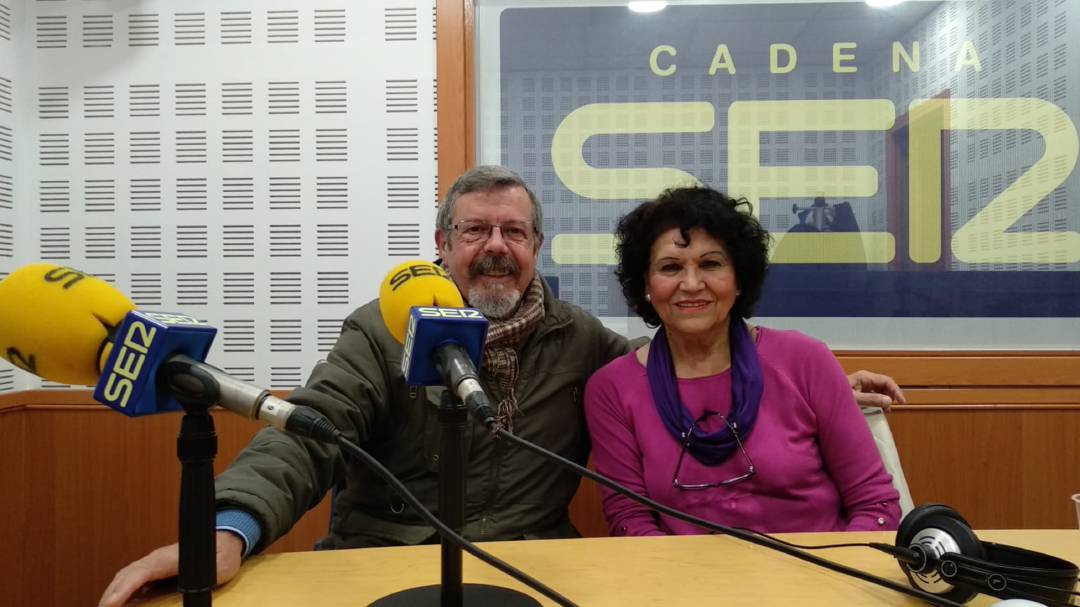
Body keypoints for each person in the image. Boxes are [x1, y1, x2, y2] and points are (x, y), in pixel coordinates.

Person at [100, 167, 905, 606]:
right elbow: (309, 432)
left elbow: (687, 346)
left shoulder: (584, 344)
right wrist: (230, 526)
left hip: (532, 572)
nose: (494, 248)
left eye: (512, 231)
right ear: (441, 245)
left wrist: (816, 379)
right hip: (384, 566)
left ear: (537, 247)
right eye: (475, 231)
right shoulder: (382, 329)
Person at [584, 186, 901, 537]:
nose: (691, 284)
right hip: (683, 585)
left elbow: (875, 504)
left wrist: (835, 581)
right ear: (646, 284)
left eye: (711, 264)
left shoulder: (806, 361)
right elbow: (631, 521)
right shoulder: (611, 390)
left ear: (738, 279)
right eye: (671, 268)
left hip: (820, 577)